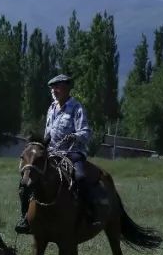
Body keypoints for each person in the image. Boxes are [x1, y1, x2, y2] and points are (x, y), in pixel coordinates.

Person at [15, 74, 109, 234]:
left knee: (80, 177)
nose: (54, 90)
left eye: (57, 87)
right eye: (52, 88)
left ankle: (90, 213)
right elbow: (48, 134)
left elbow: (86, 132)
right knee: (27, 180)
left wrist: (75, 135)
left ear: (67, 89)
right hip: (52, 153)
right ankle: (26, 218)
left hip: (72, 152)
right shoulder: (51, 108)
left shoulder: (77, 107)